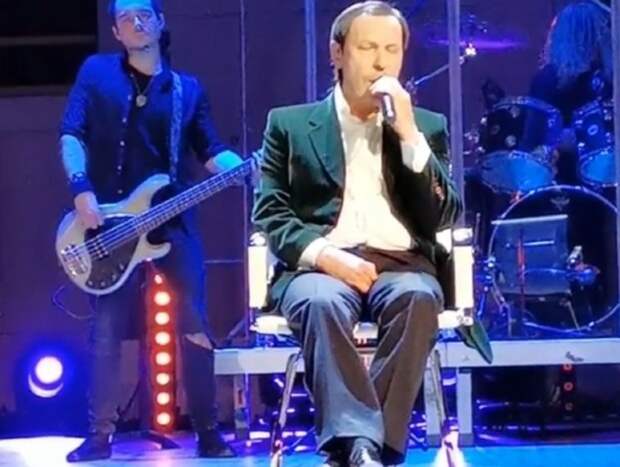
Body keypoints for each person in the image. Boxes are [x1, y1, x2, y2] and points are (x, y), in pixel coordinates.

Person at [252, 2, 462, 465]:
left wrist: (409, 136)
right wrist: (326, 256)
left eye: (392, 49)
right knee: (320, 302)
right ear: (337, 53)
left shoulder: (426, 126)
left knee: (418, 298)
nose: (381, 62)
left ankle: (361, 449)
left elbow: (445, 214)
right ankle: (364, 448)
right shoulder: (289, 124)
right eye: (367, 48)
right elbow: (270, 211)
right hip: (322, 265)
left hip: (403, 264)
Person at [60, 0, 242, 462]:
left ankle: (208, 432)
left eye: (144, 14)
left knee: (194, 322)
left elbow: (209, 149)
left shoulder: (186, 89)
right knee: (106, 329)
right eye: (125, 18)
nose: (136, 22)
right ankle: (99, 436)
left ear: (161, 23)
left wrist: (243, 168)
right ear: (116, 32)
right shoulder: (96, 72)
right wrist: (80, 189)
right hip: (108, 223)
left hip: (172, 221)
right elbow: (71, 132)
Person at [529, 0, 612, 185]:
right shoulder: (606, 77)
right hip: (572, 175)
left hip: (563, 180)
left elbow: (532, 137)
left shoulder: (546, 79)